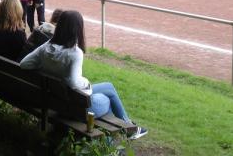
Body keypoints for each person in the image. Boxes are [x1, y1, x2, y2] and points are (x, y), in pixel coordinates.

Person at [20, 10, 148, 140]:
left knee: (108, 87)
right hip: (75, 108)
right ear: (77, 29)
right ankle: (117, 138)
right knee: (107, 100)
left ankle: (128, 127)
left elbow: (24, 64)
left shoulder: (46, 47)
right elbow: (74, 83)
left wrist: (46, 69)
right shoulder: (74, 53)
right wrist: (86, 83)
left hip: (57, 101)